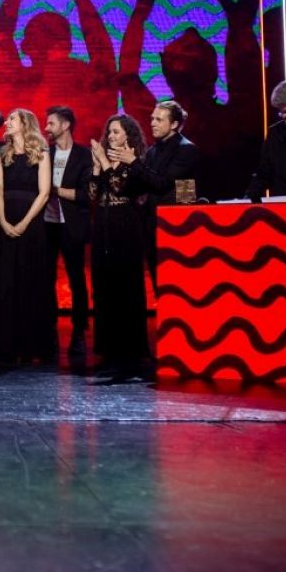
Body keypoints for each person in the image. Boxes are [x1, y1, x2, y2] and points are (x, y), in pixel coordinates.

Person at [88, 115, 152, 382]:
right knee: (104, 289)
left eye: (116, 132)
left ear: (128, 134)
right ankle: (109, 352)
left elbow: (118, 187)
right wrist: (96, 167)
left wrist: (104, 163)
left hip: (124, 228)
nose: (111, 136)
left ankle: (129, 354)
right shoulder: (105, 160)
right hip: (102, 227)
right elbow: (93, 195)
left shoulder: (132, 160)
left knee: (125, 288)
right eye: (109, 132)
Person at [0, 108, 57, 363]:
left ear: (25, 124)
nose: (7, 123)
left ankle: (33, 345)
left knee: (31, 281)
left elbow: (44, 193)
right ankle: (8, 345)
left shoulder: (41, 153)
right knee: (7, 283)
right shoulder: (1, 154)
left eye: (12, 119)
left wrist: (24, 222)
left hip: (32, 224)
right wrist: (3, 222)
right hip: (7, 220)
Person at [115, 100, 199, 286]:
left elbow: (162, 183)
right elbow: (142, 184)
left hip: (177, 225)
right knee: (158, 280)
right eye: (152, 118)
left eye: (159, 120)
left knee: (178, 281)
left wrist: (134, 162)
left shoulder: (186, 149)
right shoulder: (153, 150)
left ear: (174, 124)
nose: (152, 123)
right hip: (152, 224)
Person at [43, 106, 93, 357]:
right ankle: (48, 331)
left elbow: (86, 194)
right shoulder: (45, 153)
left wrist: (52, 190)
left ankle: (79, 331)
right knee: (46, 278)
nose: (46, 128)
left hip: (72, 225)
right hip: (47, 224)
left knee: (76, 278)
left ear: (65, 125)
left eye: (51, 123)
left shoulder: (84, 155)